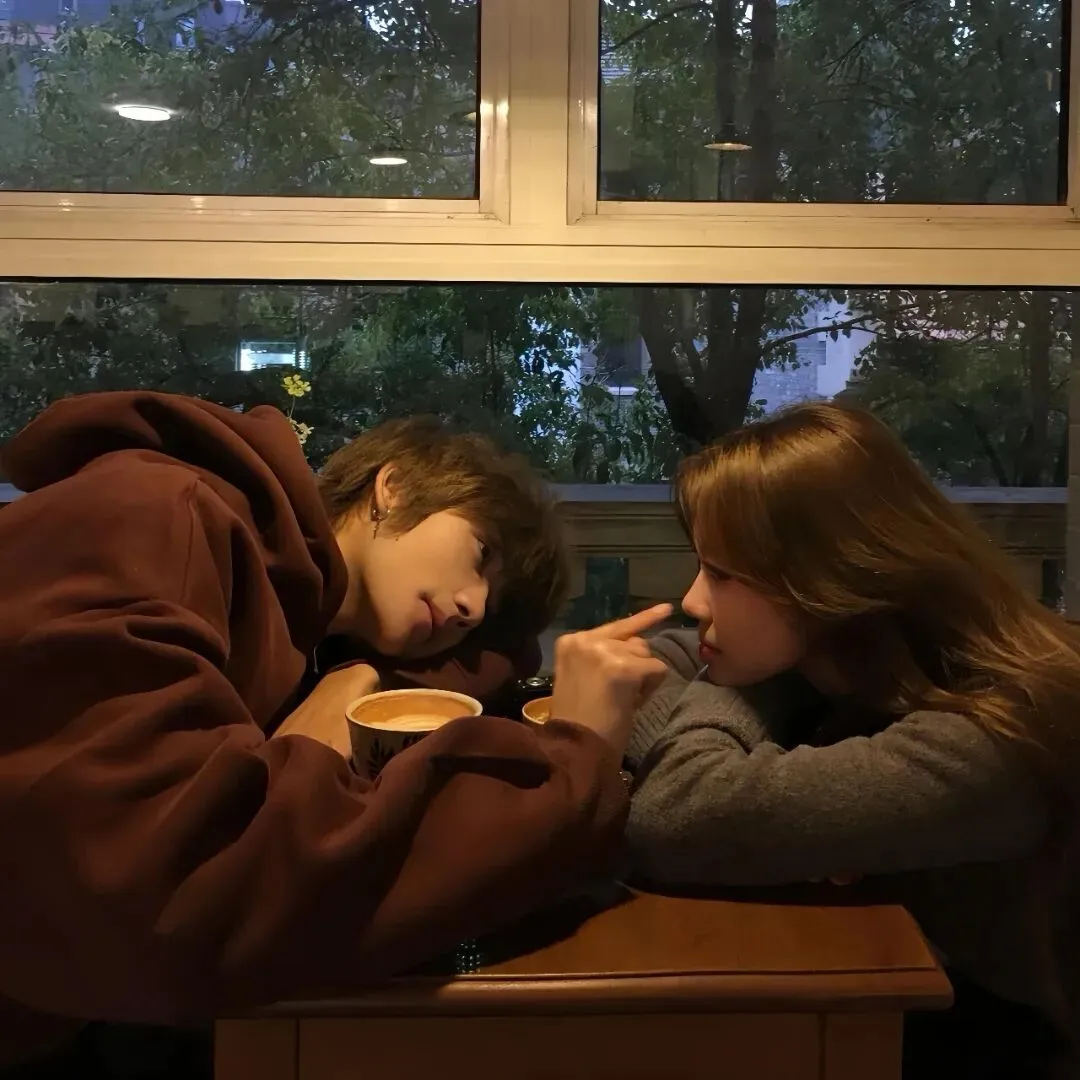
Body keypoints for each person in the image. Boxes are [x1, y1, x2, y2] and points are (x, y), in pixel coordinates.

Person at [0, 391, 669, 1076]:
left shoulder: (299, 618)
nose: (471, 605)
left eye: (488, 608)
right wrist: (575, 761)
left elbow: (498, 655)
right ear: (392, 487)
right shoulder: (158, 515)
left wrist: (358, 674)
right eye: (480, 553)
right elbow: (163, 900)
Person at [620, 402, 1080, 1079]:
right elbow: (657, 663)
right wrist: (757, 668)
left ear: (825, 580)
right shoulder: (871, 666)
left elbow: (678, 812)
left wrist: (738, 684)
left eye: (721, 574)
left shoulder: (995, 734)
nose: (693, 601)